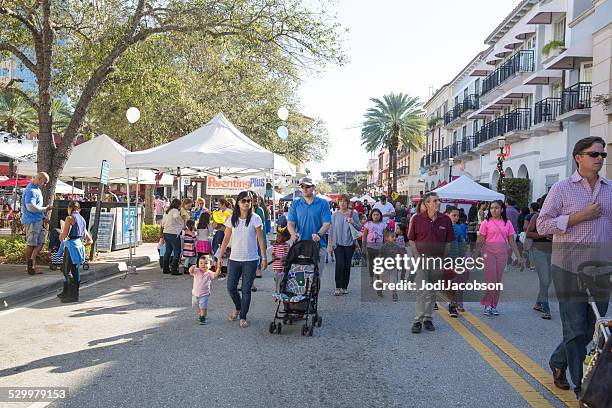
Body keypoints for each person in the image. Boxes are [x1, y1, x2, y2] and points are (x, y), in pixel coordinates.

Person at [536, 136, 611, 397]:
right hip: (568, 268)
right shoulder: (561, 188)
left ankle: (558, 360)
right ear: (578, 157)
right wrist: (580, 217)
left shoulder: (610, 189)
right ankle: (581, 387)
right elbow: (542, 225)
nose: (600, 158)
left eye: (602, 154)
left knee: (593, 329)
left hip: (601, 270)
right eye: (594, 154)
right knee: (574, 327)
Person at [217, 190, 268, 329]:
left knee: (246, 289)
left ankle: (243, 316)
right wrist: (219, 256)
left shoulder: (256, 218)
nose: (246, 203)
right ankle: (238, 308)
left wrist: (264, 257)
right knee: (231, 287)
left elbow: (260, 239)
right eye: (243, 201)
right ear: (238, 202)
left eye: (249, 201)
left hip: (251, 260)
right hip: (234, 259)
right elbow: (226, 239)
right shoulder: (232, 219)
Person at [408, 192, 454, 333]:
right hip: (421, 259)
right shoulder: (417, 219)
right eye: (435, 201)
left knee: (432, 291)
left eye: (438, 200)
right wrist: (416, 255)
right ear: (427, 204)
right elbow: (411, 239)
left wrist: (444, 256)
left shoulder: (445, 220)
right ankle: (418, 320)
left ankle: (428, 318)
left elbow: (448, 241)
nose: (438, 203)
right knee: (421, 290)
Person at [473, 200, 523, 316]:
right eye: (492, 208)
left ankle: (494, 305)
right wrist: (475, 255)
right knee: (491, 279)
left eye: (496, 208)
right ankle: (487, 304)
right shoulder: (486, 222)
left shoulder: (508, 223)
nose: (494, 210)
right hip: (488, 253)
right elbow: (480, 240)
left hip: (502, 254)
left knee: (497, 280)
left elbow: (511, 241)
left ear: (502, 209)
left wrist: (519, 256)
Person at [287, 177, 331, 278]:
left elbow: (326, 223)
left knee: (316, 277)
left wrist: (319, 234)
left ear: (313, 187)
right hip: (300, 245)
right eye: (302, 186)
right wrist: (293, 234)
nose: (304, 189)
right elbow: (290, 223)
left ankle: (314, 294)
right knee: (300, 277)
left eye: (307, 186)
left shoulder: (323, 203)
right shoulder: (296, 204)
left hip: (318, 245)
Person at [56, 201, 93, 303]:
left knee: (66, 270)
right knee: (75, 271)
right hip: (79, 247)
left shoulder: (69, 218)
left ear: (70, 208)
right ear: (79, 209)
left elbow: (64, 235)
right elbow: (89, 239)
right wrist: (82, 245)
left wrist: (60, 234)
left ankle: (72, 295)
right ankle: (68, 292)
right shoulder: (82, 219)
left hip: (71, 247)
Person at [328, 194, 361, 296]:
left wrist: (353, 223)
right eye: (340, 201)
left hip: (349, 243)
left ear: (348, 203)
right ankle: (338, 287)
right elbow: (331, 231)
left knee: (347, 265)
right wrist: (330, 245)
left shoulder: (353, 214)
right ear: (338, 203)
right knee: (340, 264)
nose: (342, 203)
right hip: (338, 244)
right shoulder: (334, 215)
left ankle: (344, 286)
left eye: (344, 201)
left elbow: (359, 228)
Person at [525, 200, 552, 320]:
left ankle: (538, 303)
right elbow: (528, 233)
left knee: (547, 280)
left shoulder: (559, 216)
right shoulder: (537, 217)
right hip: (539, 250)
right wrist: (544, 235)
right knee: (545, 279)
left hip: (553, 252)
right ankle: (546, 309)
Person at [22, 172, 52, 275]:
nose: (45, 185)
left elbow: (35, 207)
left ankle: (31, 261)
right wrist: (46, 209)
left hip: (37, 220)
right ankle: (29, 265)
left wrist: (43, 217)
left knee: (40, 242)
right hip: (32, 220)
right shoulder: (31, 190)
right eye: (44, 182)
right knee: (32, 243)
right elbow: (31, 207)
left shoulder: (36, 189)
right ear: (39, 179)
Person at [444, 206, 466, 316]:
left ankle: (457, 302)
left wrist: (463, 256)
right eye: (454, 215)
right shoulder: (442, 227)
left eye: (458, 216)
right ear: (447, 215)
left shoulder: (458, 228)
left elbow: (461, 242)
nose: (456, 218)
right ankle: (451, 303)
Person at [189, 255, 221, 325]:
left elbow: (216, 275)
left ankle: (202, 318)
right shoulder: (196, 271)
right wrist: (192, 267)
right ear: (198, 264)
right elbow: (190, 271)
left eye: (206, 263)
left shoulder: (209, 273)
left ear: (210, 265)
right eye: (201, 263)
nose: (203, 265)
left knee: (203, 306)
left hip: (204, 294)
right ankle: (203, 313)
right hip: (195, 294)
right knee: (196, 305)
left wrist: (218, 268)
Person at [160, 198, 184, 275]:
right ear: (178, 205)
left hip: (166, 232)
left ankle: (165, 268)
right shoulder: (175, 211)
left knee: (168, 250)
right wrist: (181, 221)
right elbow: (176, 216)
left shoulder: (167, 212)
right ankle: (174, 269)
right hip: (173, 233)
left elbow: (162, 223)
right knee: (177, 251)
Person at [361, 208, 385, 286]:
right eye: (374, 215)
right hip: (370, 246)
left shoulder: (383, 224)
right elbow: (364, 236)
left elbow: (386, 236)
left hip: (380, 247)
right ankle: (371, 278)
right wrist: (363, 247)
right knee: (371, 263)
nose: (376, 216)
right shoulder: (368, 224)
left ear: (380, 216)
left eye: (377, 215)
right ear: (371, 215)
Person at [271, 227, 291, 293]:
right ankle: (277, 289)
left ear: (284, 238)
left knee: (283, 276)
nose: (277, 238)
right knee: (278, 275)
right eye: (277, 236)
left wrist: (285, 257)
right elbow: (273, 253)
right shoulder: (275, 245)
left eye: (279, 236)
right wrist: (273, 257)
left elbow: (288, 254)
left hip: (284, 264)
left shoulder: (286, 245)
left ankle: (282, 287)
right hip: (277, 263)